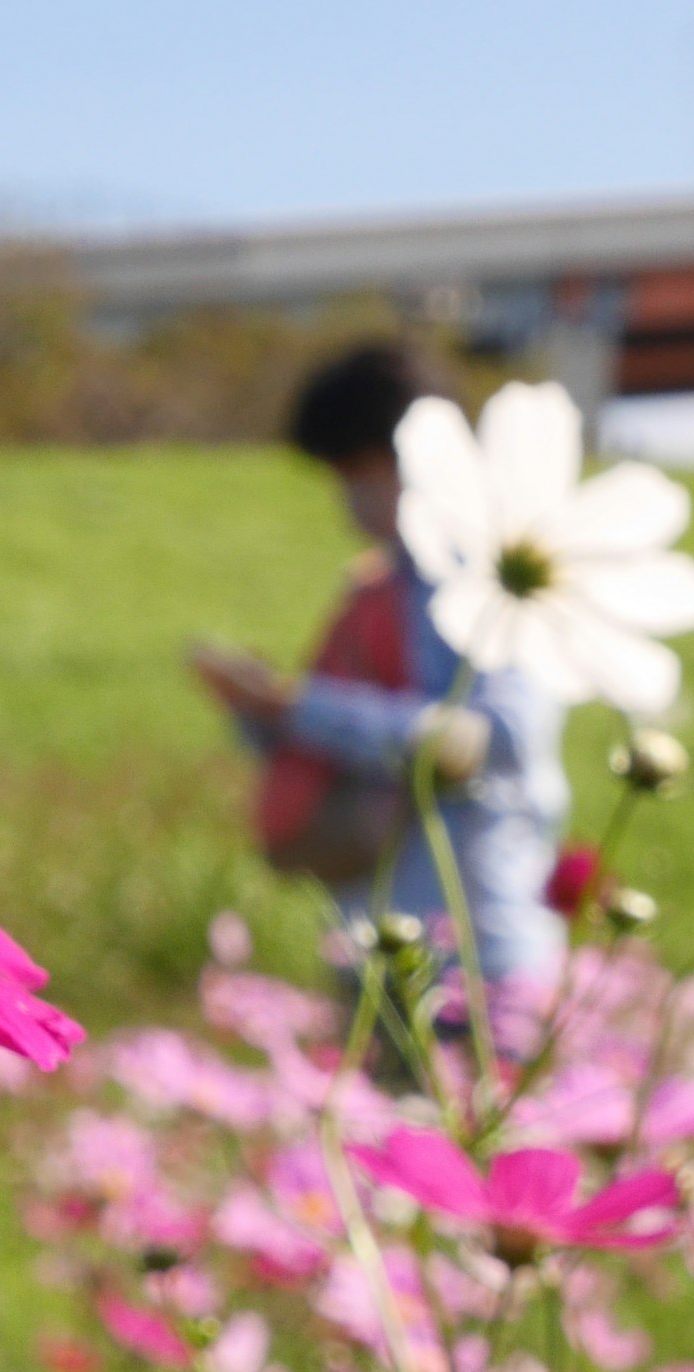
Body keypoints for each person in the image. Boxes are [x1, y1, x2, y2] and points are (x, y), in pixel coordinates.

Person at [192, 340, 569, 1022]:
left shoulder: (498, 574)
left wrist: (298, 705)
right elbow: (334, 759)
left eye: (368, 475)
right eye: (343, 479)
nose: (355, 502)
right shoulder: (379, 588)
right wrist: (262, 713)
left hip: (481, 960)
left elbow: (495, 739)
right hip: (374, 945)